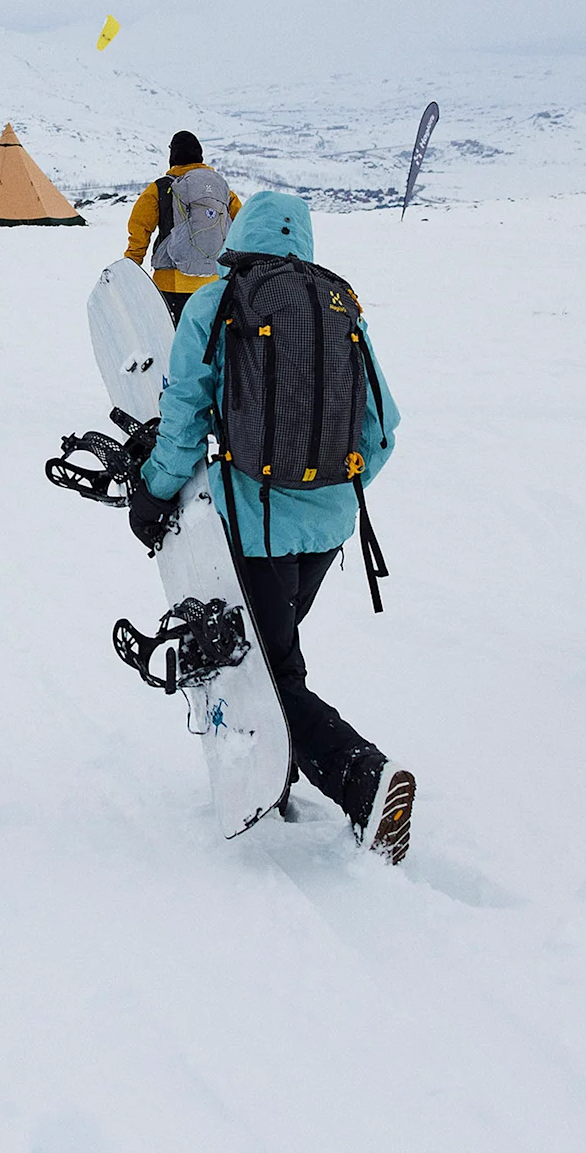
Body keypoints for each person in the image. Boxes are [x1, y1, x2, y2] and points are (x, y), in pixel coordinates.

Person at [126, 190, 412, 862]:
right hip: (330, 527)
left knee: (267, 674)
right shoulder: (340, 305)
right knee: (275, 656)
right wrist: (332, 494)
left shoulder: (215, 302)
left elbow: (186, 413)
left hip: (254, 527)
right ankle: (278, 776)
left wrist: (155, 492)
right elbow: (384, 431)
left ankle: (365, 779)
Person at [125, 130, 241, 322]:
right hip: (212, 283)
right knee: (206, 342)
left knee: (171, 341)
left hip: (171, 284)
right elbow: (242, 224)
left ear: (172, 158)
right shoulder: (222, 190)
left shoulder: (160, 188)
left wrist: (132, 262)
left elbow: (140, 227)